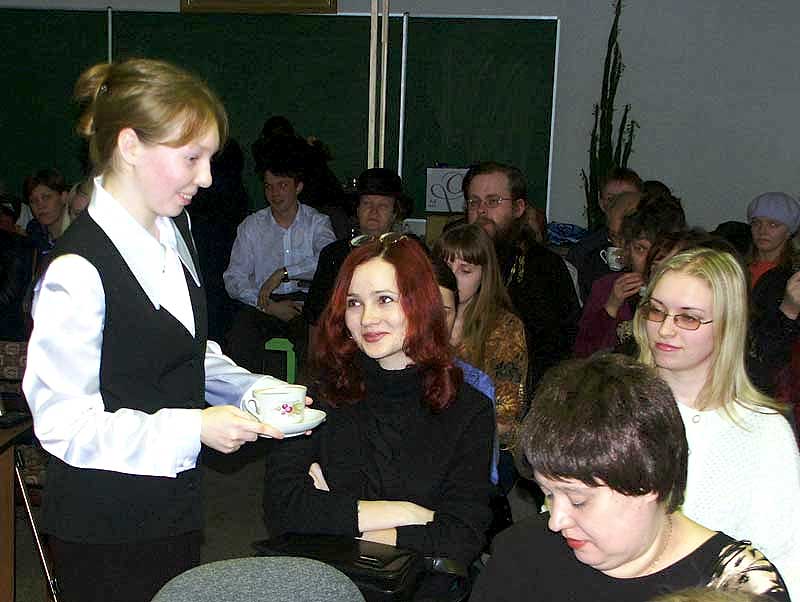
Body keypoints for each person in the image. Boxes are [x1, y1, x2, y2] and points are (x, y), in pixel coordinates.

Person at [22, 58, 298, 602]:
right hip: (104, 525)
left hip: (174, 506)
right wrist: (192, 428)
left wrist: (250, 388)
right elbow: (61, 425)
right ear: (129, 146)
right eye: (191, 158)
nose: (207, 178)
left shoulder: (176, 229)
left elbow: (183, 348)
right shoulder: (77, 269)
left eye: (210, 159)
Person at [264, 234, 494, 599]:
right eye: (354, 303)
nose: (367, 318)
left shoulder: (468, 409)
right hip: (325, 586)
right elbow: (282, 508)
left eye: (385, 299)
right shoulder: (320, 396)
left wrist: (337, 518)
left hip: (417, 589)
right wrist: (410, 513)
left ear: (421, 304)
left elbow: (461, 536)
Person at [470, 354, 789, 602]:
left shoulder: (736, 585)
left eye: (578, 501)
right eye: (549, 494)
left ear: (649, 481)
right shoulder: (521, 552)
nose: (556, 521)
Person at [633, 247, 800, 599]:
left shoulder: (764, 431)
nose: (664, 329)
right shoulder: (612, 406)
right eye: (657, 310)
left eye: (688, 318)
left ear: (727, 326)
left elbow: (787, 561)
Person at [223, 134, 335, 372]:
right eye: (268, 186)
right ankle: (250, 392)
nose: (275, 193)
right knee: (239, 334)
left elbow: (328, 261)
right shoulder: (252, 226)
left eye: (282, 185)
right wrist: (267, 305)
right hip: (264, 302)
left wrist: (284, 273)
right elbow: (233, 279)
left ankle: (307, 392)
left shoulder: (317, 222)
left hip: (305, 303)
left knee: (316, 337)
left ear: (298, 187)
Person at [463, 161, 579, 387]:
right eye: (474, 202)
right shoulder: (454, 260)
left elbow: (561, 346)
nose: (481, 210)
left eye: (493, 201)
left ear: (518, 208)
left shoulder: (546, 267)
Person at [433, 223, 527, 492]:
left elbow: (505, 417)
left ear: (485, 276)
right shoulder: (417, 321)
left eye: (466, 271)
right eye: (446, 267)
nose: (453, 278)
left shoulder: (505, 328)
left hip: (487, 443)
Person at [574, 194, 685, 357]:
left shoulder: (687, 293)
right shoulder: (607, 287)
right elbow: (582, 353)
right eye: (640, 248)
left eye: (659, 252)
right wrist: (611, 307)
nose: (649, 260)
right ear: (627, 248)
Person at [304, 167, 407, 332]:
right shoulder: (334, 254)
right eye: (367, 203)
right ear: (357, 209)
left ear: (394, 214)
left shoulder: (408, 255)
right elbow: (315, 317)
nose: (373, 211)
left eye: (383, 205)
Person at [567, 167, 643, 302]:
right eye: (611, 199)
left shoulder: (656, 246)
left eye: (626, 198)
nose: (619, 204)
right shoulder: (585, 250)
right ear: (601, 203)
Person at [23, 168, 71, 258]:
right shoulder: (33, 235)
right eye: (33, 201)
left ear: (64, 197)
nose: (40, 205)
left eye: (46, 197)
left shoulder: (78, 234)